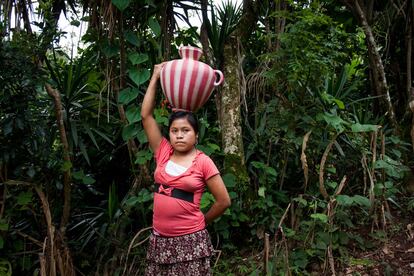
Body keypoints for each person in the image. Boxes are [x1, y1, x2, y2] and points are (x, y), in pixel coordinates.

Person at [141, 62, 231, 275]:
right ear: (169, 134)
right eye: (174, 130)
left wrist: (202, 220)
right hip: (159, 242)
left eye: (185, 130)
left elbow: (224, 201)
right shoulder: (163, 151)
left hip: (190, 242)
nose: (179, 135)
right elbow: (146, 116)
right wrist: (155, 77)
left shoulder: (203, 161)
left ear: (196, 135)